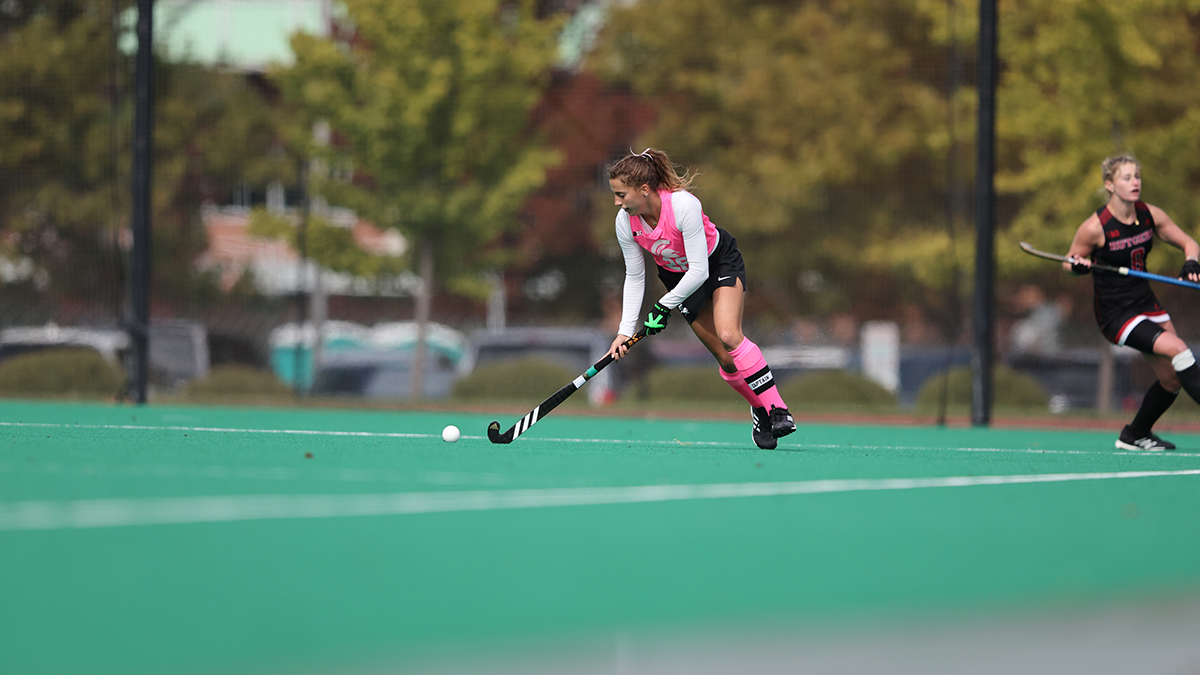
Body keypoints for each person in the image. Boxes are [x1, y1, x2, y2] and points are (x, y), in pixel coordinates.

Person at [606, 148, 795, 449]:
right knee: (725, 358)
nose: (617, 202)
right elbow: (635, 276)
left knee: (729, 335)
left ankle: (778, 409)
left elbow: (699, 270)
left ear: (643, 190)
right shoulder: (625, 223)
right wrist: (624, 331)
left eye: (621, 194)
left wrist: (663, 306)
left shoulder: (683, 206)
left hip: (717, 262)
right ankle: (759, 409)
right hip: (678, 279)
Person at [1065, 153, 1200, 451]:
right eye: (1126, 177)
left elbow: (1190, 242)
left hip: (1146, 302)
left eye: (1137, 176)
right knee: (1179, 350)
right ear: (1110, 185)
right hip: (1116, 314)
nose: (1134, 182)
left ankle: (1134, 434)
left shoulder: (1150, 215)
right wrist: (1077, 265)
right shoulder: (1095, 227)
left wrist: (1191, 262)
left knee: (1172, 379)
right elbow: (1070, 260)